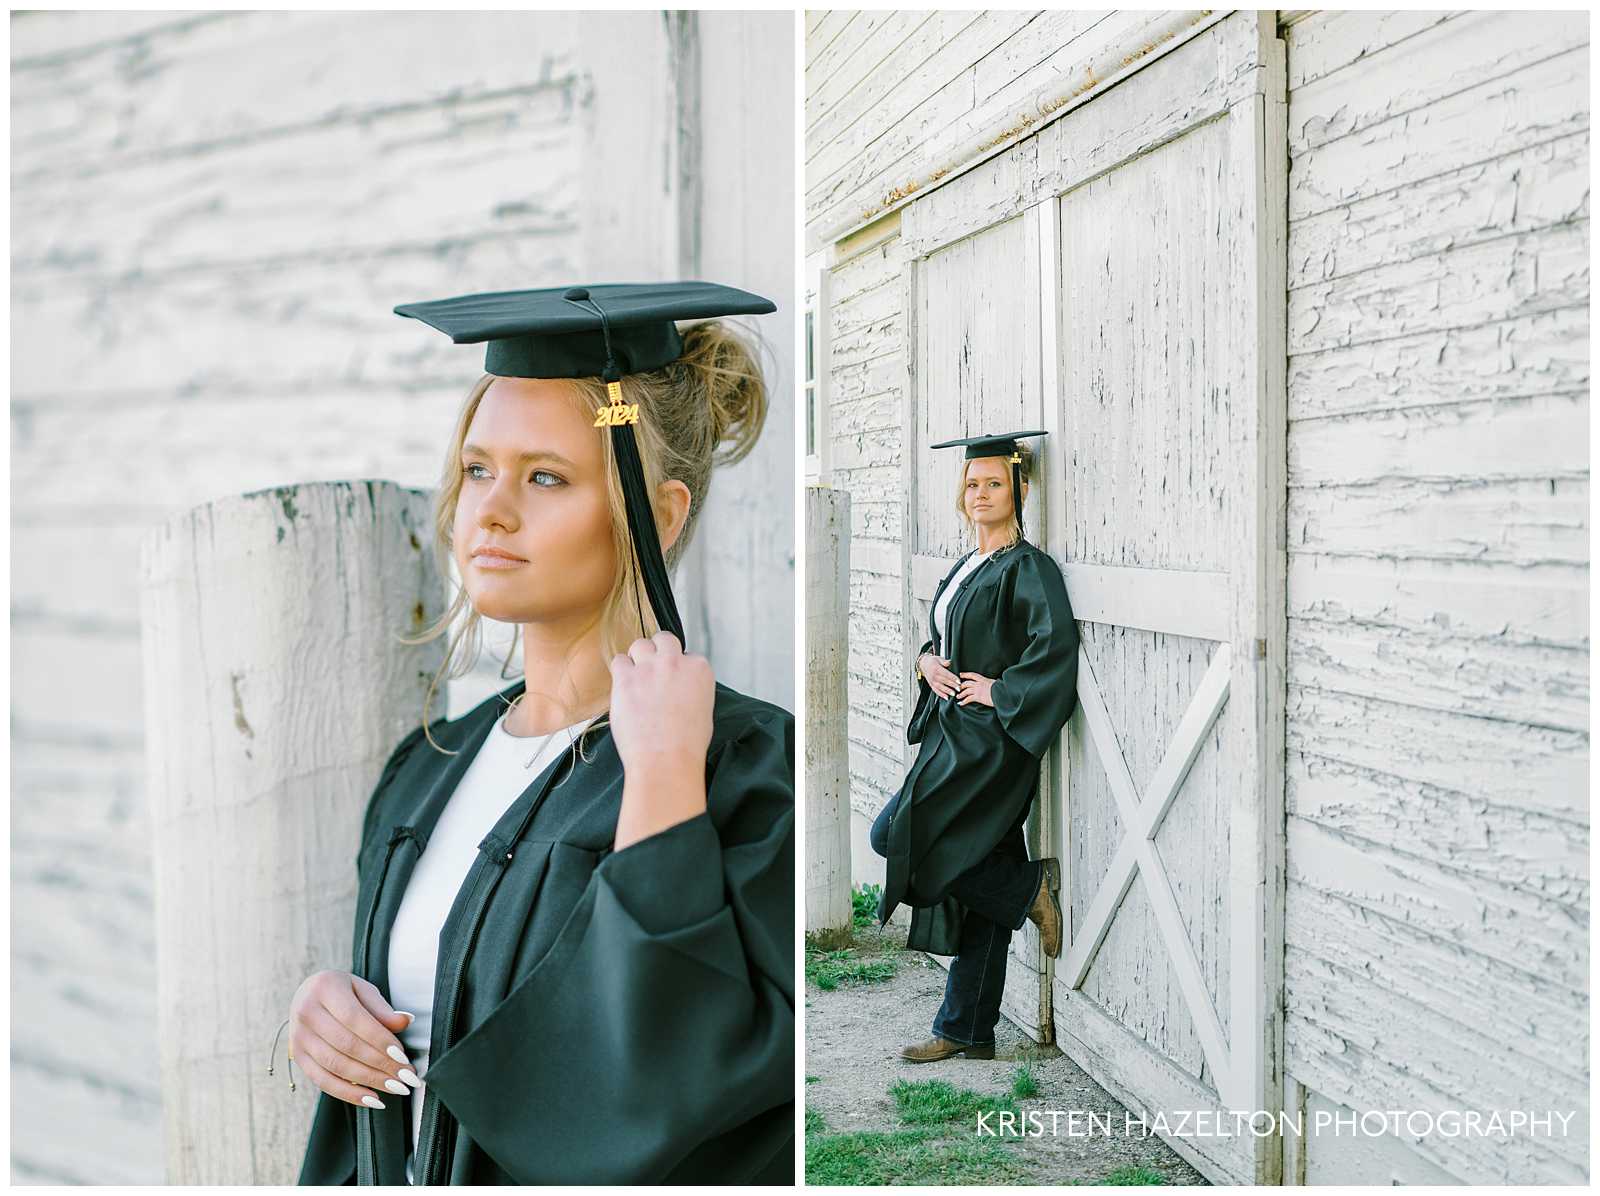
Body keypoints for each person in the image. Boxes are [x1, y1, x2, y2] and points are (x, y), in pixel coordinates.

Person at [288, 282, 794, 1184]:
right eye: (479, 468)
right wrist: (331, 1010)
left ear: (659, 515)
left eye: (546, 476)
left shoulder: (748, 772)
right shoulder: (429, 766)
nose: (490, 508)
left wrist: (665, 776)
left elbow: (675, 1089)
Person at [870, 429, 1078, 1062]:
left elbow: (1054, 650)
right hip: (948, 731)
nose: (981, 493)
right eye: (972, 484)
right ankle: (968, 1026)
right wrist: (926, 662)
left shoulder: (1029, 567)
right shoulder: (967, 567)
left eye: (994, 482)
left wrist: (999, 691)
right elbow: (944, 636)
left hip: (990, 744)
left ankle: (1024, 892)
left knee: (896, 833)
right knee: (976, 854)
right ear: (960, 495)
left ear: (1017, 487)